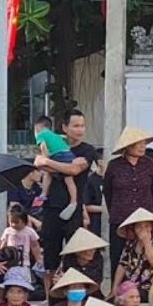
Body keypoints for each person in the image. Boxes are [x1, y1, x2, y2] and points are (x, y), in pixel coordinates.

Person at [35, 109, 98, 273]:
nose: (80, 130)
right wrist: (55, 164)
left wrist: (49, 162)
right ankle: (50, 298)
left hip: (73, 209)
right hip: (51, 207)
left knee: (73, 256)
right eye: (76, 126)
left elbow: (74, 170)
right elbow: (38, 163)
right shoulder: (52, 142)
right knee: (50, 258)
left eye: (83, 126)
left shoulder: (88, 150)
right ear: (64, 127)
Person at [103, 126, 153, 271]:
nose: (142, 146)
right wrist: (116, 211)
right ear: (127, 146)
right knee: (118, 258)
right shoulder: (114, 165)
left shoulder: (149, 164)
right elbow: (108, 192)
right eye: (138, 143)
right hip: (120, 218)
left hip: (144, 220)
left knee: (145, 257)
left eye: (144, 143)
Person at [33, 115, 81, 224]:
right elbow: (64, 138)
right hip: (68, 153)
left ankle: (44, 194)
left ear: (37, 128)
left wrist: (45, 159)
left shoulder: (41, 134)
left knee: (47, 173)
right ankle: (73, 201)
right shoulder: (53, 135)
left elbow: (43, 147)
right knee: (69, 179)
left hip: (58, 155)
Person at [111, 207, 153, 300]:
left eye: (147, 226)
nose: (143, 229)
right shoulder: (130, 244)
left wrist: (146, 242)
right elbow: (122, 265)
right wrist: (114, 288)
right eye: (139, 226)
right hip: (128, 286)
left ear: (152, 227)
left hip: (148, 288)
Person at [56, 227, 107, 296]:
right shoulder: (68, 259)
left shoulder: (98, 258)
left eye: (93, 249)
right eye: (88, 249)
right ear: (77, 252)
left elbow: (97, 282)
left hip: (91, 292)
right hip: (72, 293)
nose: (92, 252)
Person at [0, 203, 41, 270]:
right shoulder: (8, 231)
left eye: (17, 222)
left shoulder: (29, 231)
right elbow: (3, 245)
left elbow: (35, 246)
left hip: (25, 263)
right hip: (10, 262)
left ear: (24, 221)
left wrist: (38, 258)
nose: (14, 225)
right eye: (11, 222)